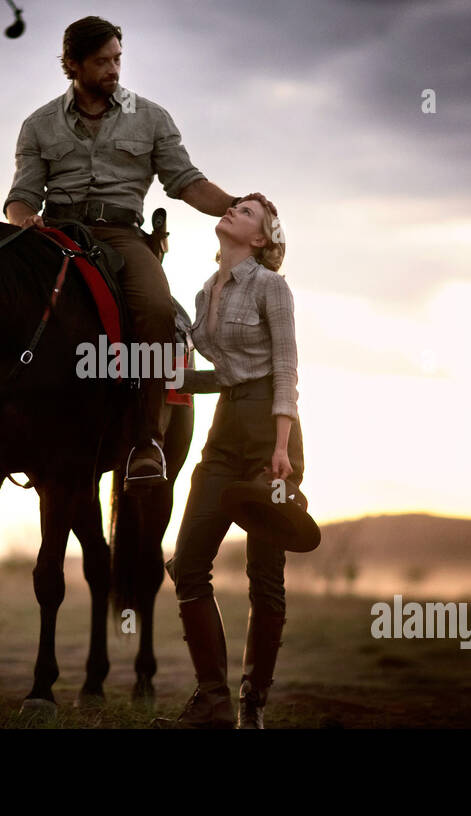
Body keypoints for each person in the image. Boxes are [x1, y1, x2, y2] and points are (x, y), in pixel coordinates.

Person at [0, 15, 257, 493]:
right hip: (53, 234)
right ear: (72, 64)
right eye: (101, 61)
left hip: (122, 236)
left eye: (117, 58)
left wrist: (237, 205)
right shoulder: (39, 124)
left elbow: (186, 183)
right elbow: (21, 195)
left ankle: (145, 441)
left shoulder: (151, 117)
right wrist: (23, 218)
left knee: (156, 310)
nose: (113, 69)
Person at [155, 193, 303, 729]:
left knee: (265, 575)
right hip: (224, 433)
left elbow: (285, 369)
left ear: (260, 239)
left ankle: (253, 703)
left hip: (271, 435)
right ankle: (212, 698)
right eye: (233, 207)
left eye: (245, 213)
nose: (232, 212)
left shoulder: (271, 287)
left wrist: (281, 447)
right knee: (188, 563)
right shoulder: (204, 292)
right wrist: (165, 378)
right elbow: (221, 373)